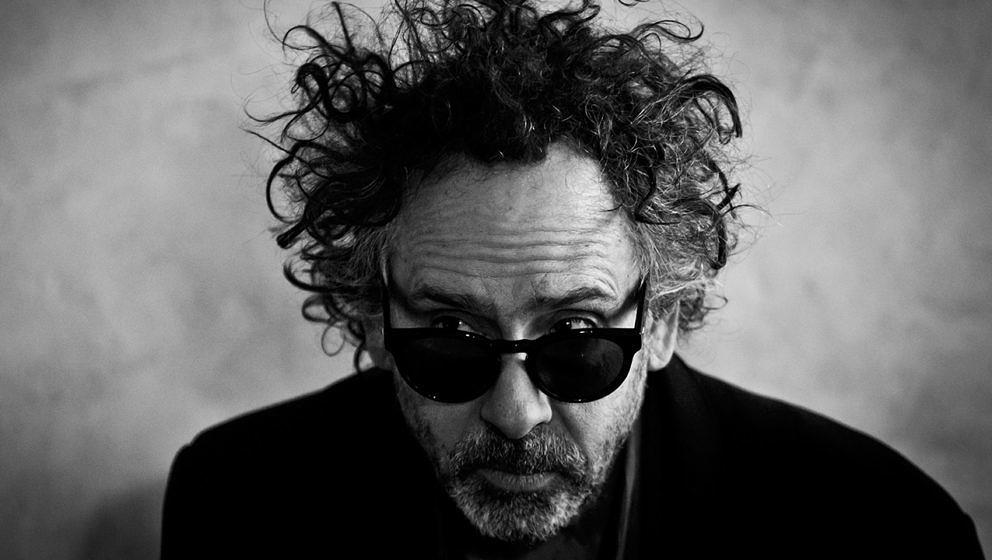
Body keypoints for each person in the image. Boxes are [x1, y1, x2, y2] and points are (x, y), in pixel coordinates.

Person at [160, 1, 984, 558]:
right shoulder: (239, 501)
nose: (515, 413)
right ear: (375, 320)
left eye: (577, 340)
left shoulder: (878, 528)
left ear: (660, 319)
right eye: (450, 339)